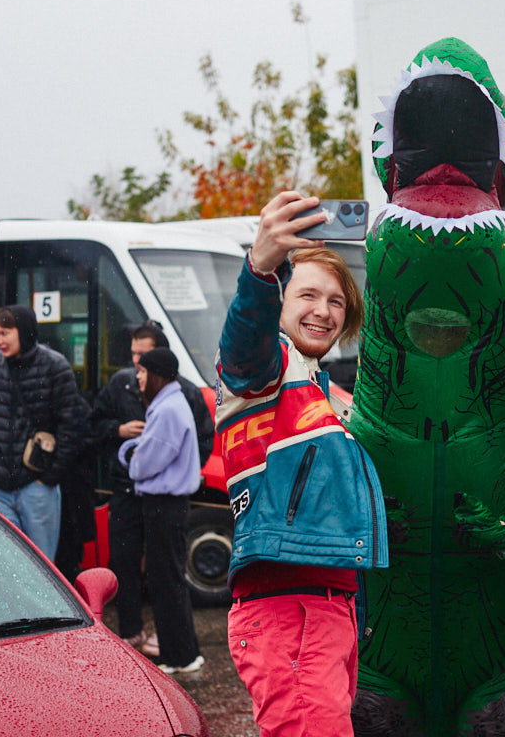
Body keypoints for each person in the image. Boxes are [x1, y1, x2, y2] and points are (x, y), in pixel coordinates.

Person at [216, 190, 388, 737]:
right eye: (308, 295)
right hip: (288, 609)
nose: (323, 310)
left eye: (337, 301)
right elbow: (245, 339)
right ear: (281, 305)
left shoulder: (330, 393)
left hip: (330, 609)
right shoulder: (266, 368)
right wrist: (260, 268)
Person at [90, 320, 214, 653]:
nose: (136, 363)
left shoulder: (183, 391)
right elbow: (93, 423)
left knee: (166, 570)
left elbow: (203, 439)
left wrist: (174, 469)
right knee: (125, 563)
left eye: (143, 356)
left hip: (160, 493)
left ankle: (169, 637)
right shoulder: (120, 384)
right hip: (125, 491)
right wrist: (118, 430)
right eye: (133, 354)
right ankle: (131, 631)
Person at [0, 304, 85, 559]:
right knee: (2, 565)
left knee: (41, 567)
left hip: (37, 486)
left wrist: (49, 477)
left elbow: (71, 426)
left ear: (24, 331)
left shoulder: (55, 366)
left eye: (4, 333)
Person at [118, 346, 205, 674]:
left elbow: (146, 464)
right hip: (169, 506)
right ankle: (181, 652)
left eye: (141, 372)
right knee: (169, 579)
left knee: (166, 581)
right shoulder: (172, 402)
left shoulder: (167, 408)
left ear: (155, 374)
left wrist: (132, 458)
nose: (138, 378)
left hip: (163, 507)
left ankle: (179, 656)